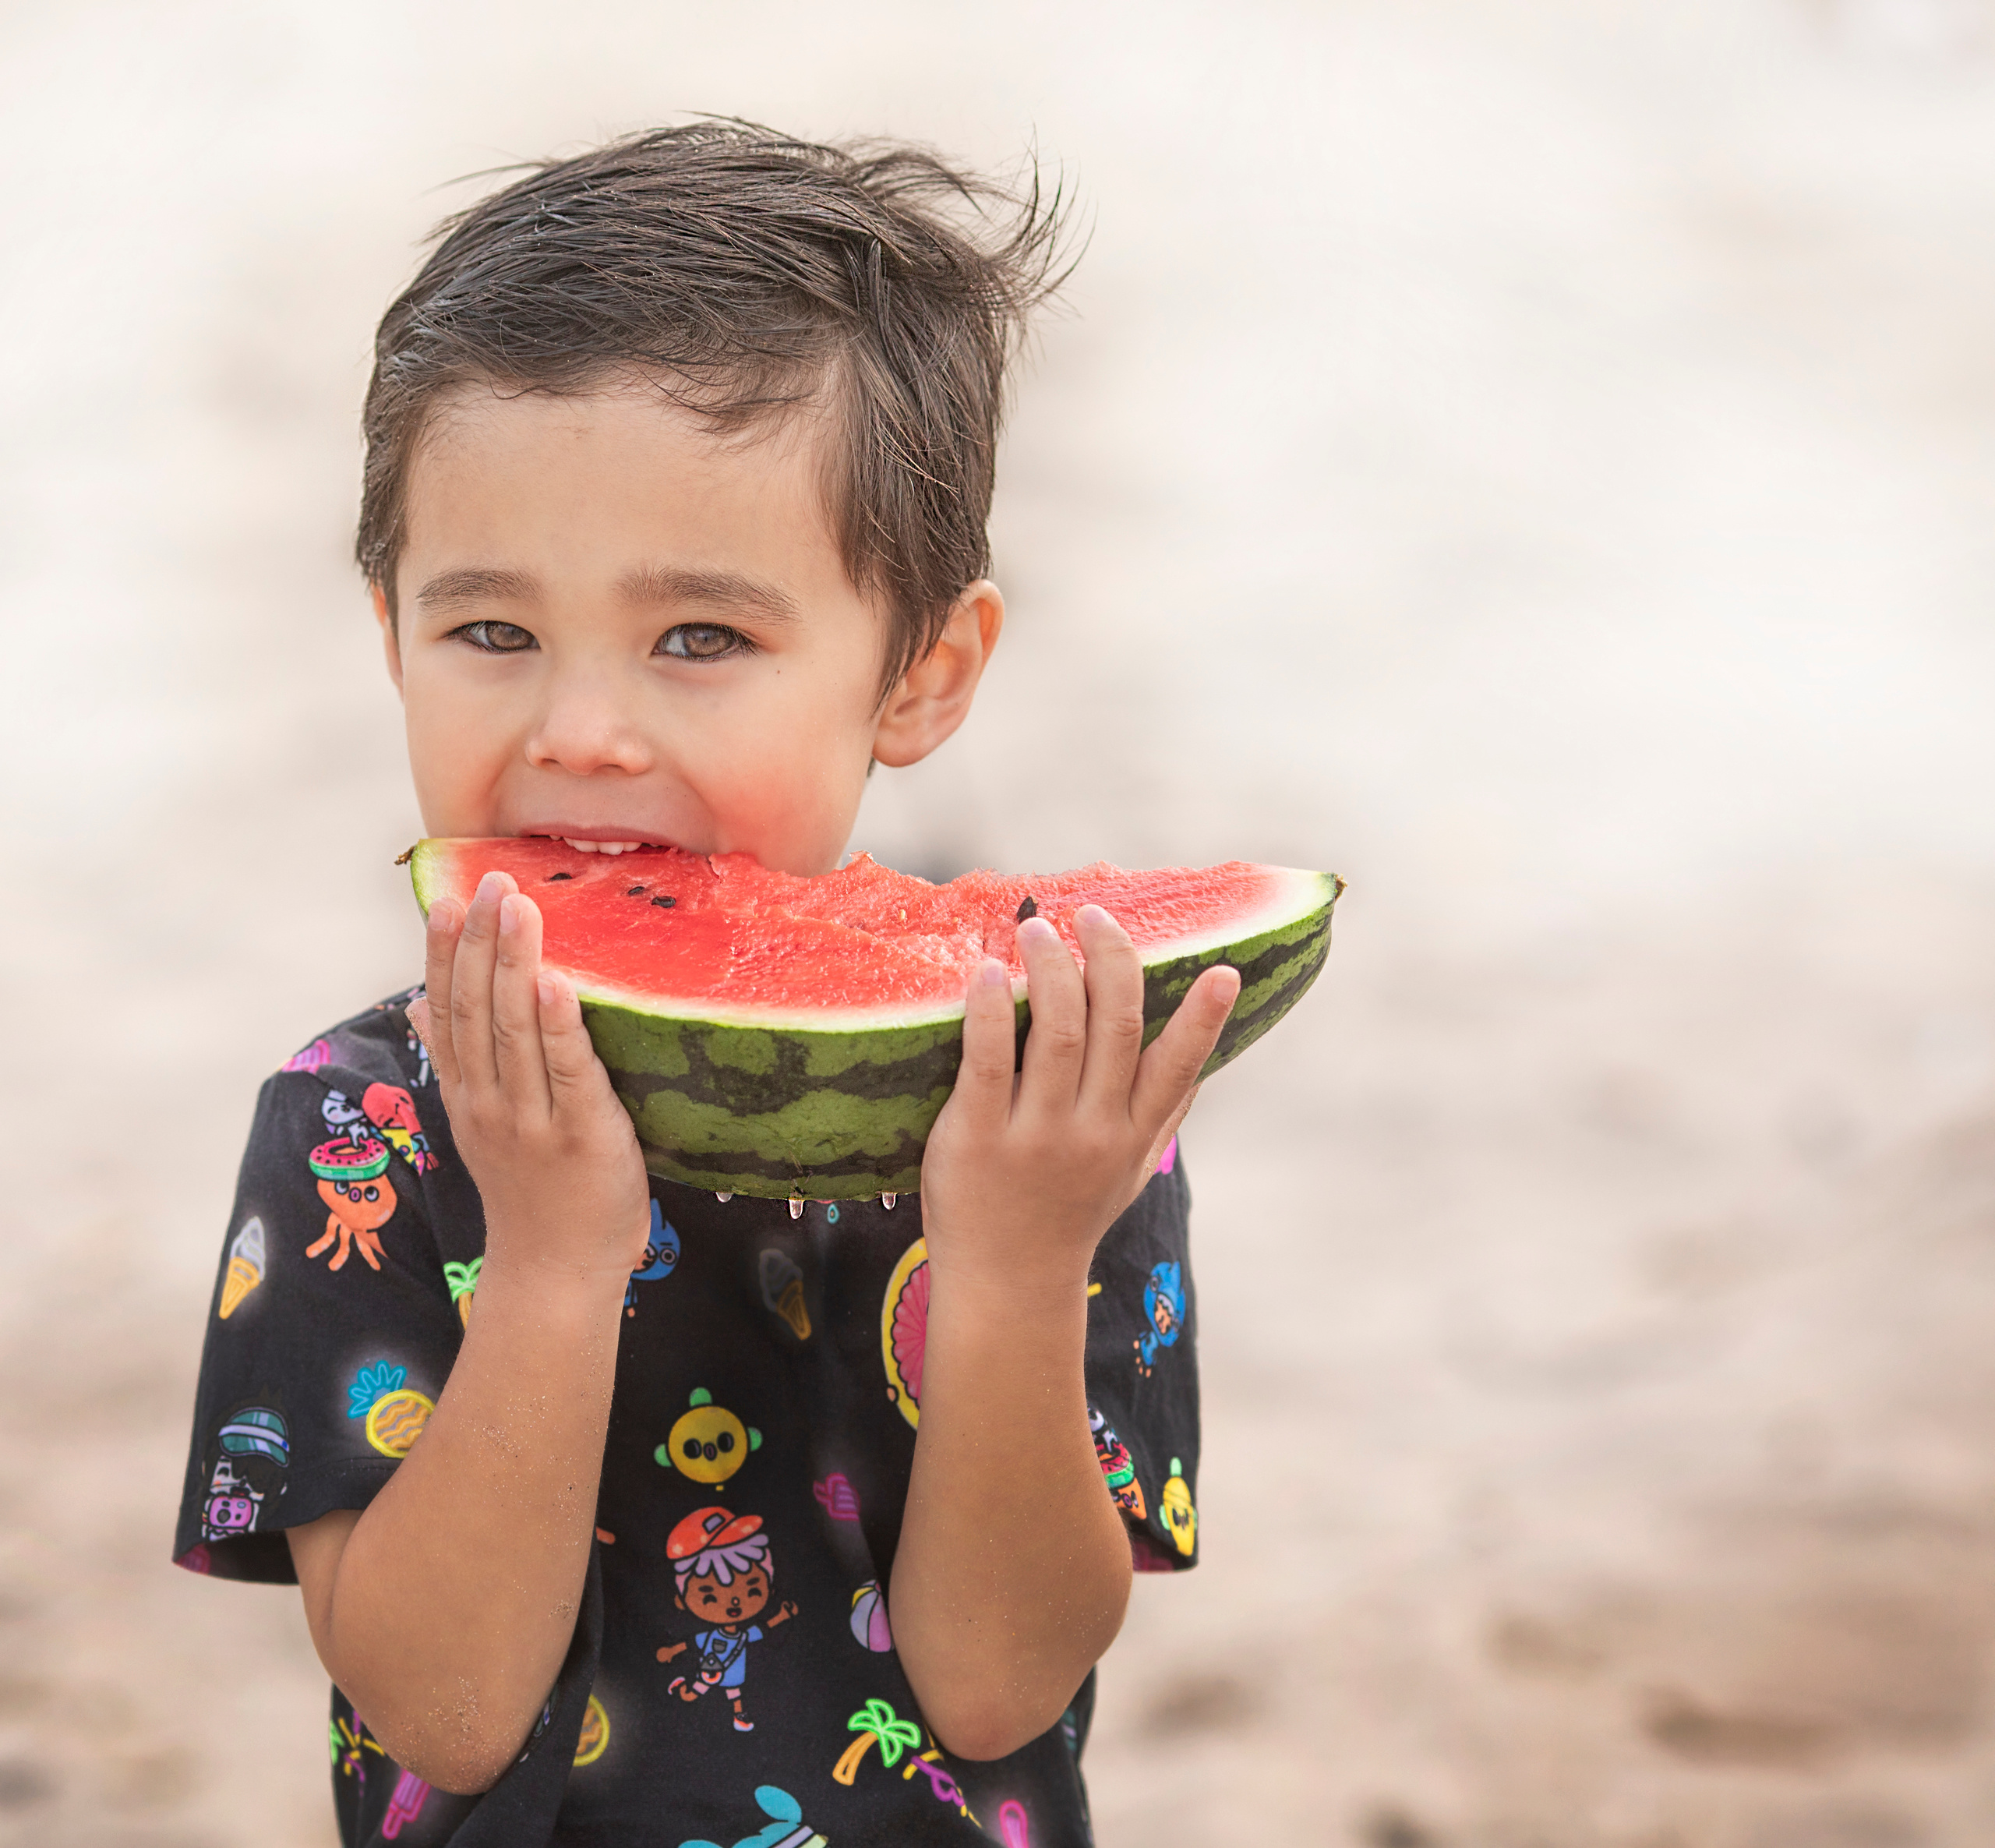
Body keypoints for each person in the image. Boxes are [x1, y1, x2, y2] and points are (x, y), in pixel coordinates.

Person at [173, 122, 1239, 1846]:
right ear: (390, 638)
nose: (583, 729)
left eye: (700, 638)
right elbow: (443, 1711)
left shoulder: (1055, 1109)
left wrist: (1021, 1263)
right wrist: (548, 1261)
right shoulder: (356, 1127)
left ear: (922, 673)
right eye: (491, 631)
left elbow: (995, 1686)